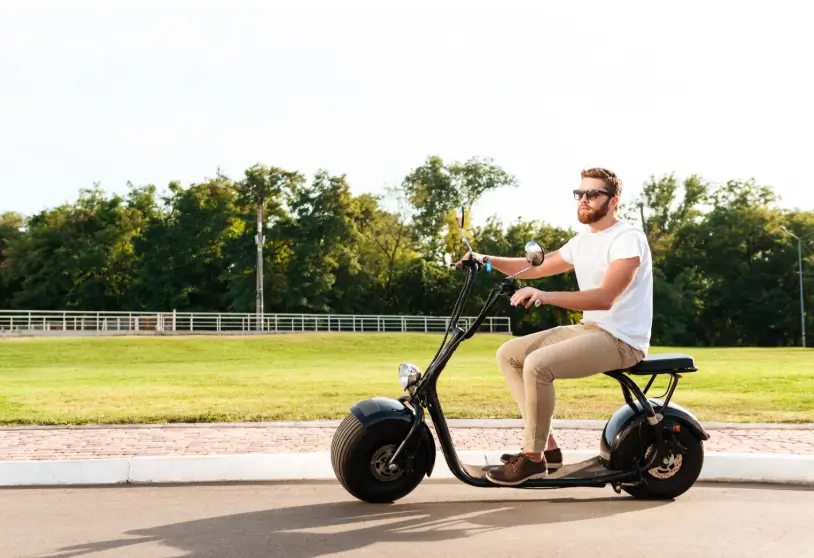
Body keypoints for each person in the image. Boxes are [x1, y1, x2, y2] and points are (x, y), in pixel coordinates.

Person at [460, 167, 653, 485]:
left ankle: (531, 459)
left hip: (622, 339)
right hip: (591, 329)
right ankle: (545, 449)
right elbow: (534, 267)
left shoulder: (627, 239)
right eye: (580, 193)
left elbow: (605, 298)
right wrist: (485, 260)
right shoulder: (582, 242)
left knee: (537, 365)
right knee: (509, 353)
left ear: (614, 200)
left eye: (593, 194)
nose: (584, 200)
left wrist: (545, 297)